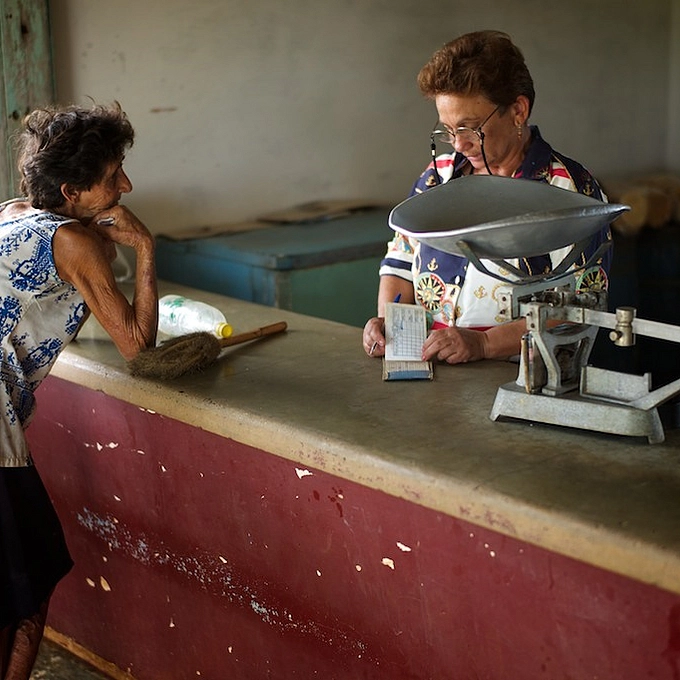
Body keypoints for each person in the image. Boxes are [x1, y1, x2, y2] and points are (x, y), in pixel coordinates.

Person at [0, 102, 157, 679]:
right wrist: (145, 247)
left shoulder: (12, 212)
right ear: (71, 191)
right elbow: (138, 346)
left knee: (25, 584)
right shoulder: (72, 242)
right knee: (25, 592)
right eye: (114, 175)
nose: (127, 186)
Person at [363, 30, 612, 364]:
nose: (458, 144)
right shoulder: (439, 176)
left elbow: (583, 303)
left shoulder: (568, 188)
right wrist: (388, 323)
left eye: (470, 128)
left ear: (518, 111)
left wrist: (484, 344)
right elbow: (400, 265)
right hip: (430, 364)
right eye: (448, 131)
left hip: (522, 375)